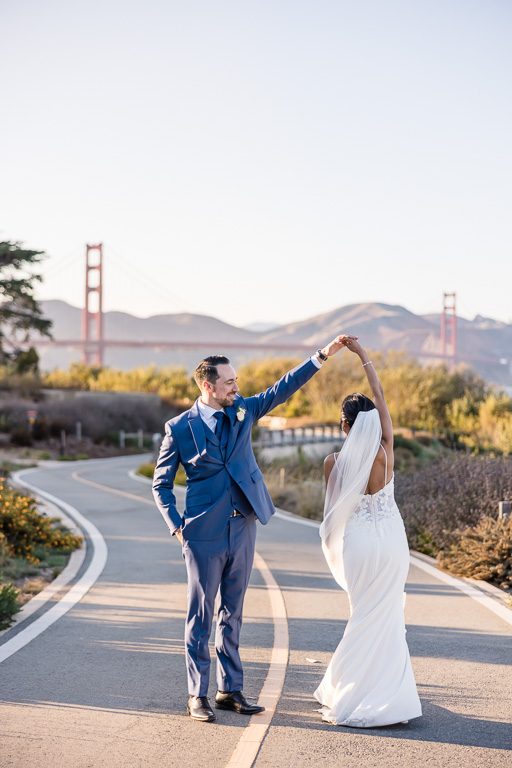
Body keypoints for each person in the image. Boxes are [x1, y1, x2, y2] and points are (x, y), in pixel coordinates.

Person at [152, 335, 355, 722]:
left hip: (243, 525)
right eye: (229, 382)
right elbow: (160, 484)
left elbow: (282, 389)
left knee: (234, 612)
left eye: (236, 380)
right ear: (208, 386)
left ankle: (229, 690)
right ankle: (198, 695)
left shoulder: (243, 409)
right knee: (201, 615)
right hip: (201, 533)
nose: (237, 387)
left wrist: (321, 356)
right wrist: (178, 527)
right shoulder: (179, 428)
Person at [314, 339, 422, 727]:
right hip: (392, 542)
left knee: (361, 615)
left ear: (344, 425)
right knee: (389, 616)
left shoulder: (333, 464)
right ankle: (390, 698)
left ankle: (350, 692)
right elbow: (380, 396)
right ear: (373, 421)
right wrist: (363, 356)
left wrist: (333, 546)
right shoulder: (386, 450)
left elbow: (334, 514)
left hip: (359, 543)